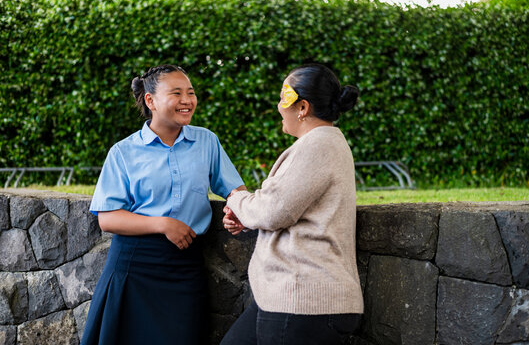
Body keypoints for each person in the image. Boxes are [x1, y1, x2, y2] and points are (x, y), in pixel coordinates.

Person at [81, 64, 246, 345]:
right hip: (134, 267)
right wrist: (163, 224)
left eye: (191, 93)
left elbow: (234, 189)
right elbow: (107, 218)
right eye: (177, 93)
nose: (187, 100)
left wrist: (236, 209)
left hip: (185, 266)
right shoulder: (123, 151)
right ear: (150, 100)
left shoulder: (207, 141)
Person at [220, 64, 364, 345]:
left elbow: (274, 210)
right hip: (290, 298)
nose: (277, 106)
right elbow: (283, 208)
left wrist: (236, 199)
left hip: (304, 301)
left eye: (282, 98)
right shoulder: (320, 144)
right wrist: (248, 216)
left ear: (302, 107)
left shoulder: (319, 145)